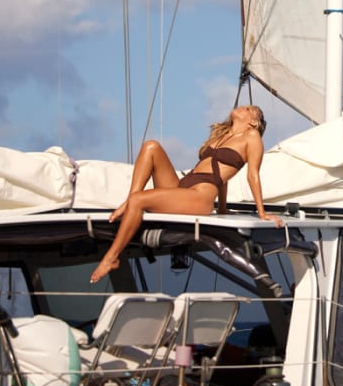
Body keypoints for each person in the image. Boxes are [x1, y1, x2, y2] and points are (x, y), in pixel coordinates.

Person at [89, 104, 280, 283]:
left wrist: (261, 212)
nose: (241, 107)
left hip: (199, 196)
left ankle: (111, 258)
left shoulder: (252, 136)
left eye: (248, 108)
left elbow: (252, 175)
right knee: (151, 146)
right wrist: (222, 208)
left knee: (138, 201)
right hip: (183, 187)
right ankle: (129, 201)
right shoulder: (221, 136)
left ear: (253, 122)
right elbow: (223, 177)